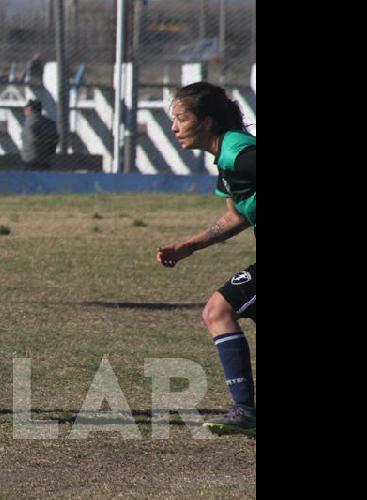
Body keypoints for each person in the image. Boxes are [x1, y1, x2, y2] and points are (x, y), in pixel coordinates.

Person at [156, 81, 256, 436]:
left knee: (218, 311)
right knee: (221, 311)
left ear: (208, 121)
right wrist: (188, 246)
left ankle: (245, 410)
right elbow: (236, 217)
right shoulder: (226, 159)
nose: (174, 127)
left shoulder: (237, 152)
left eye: (182, 118)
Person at [20, 99, 58, 169]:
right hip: (46, 160)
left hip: (29, 161)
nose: (24, 111)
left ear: (30, 109)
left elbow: (26, 140)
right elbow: (55, 140)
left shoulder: (29, 122)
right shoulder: (50, 123)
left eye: (26, 108)